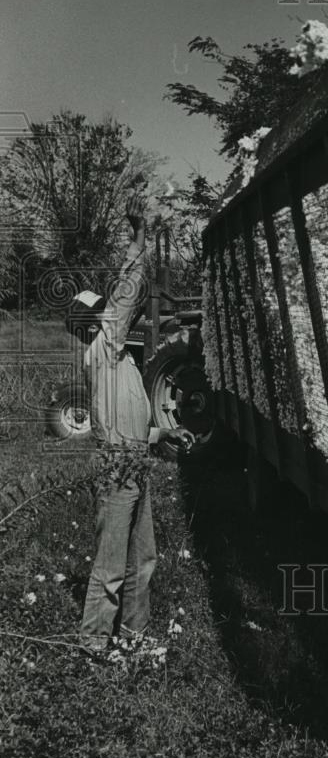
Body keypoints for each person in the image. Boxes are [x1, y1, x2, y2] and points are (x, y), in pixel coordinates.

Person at [66, 194, 191, 653]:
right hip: (118, 468)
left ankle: (133, 638)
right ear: (92, 322)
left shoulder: (119, 362)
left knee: (143, 560)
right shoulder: (99, 349)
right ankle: (94, 645)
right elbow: (125, 293)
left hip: (133, 459)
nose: (114, 314)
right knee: (111, 564)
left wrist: (165, 433)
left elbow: (130, 419)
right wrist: (138, 238)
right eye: (104, 312)